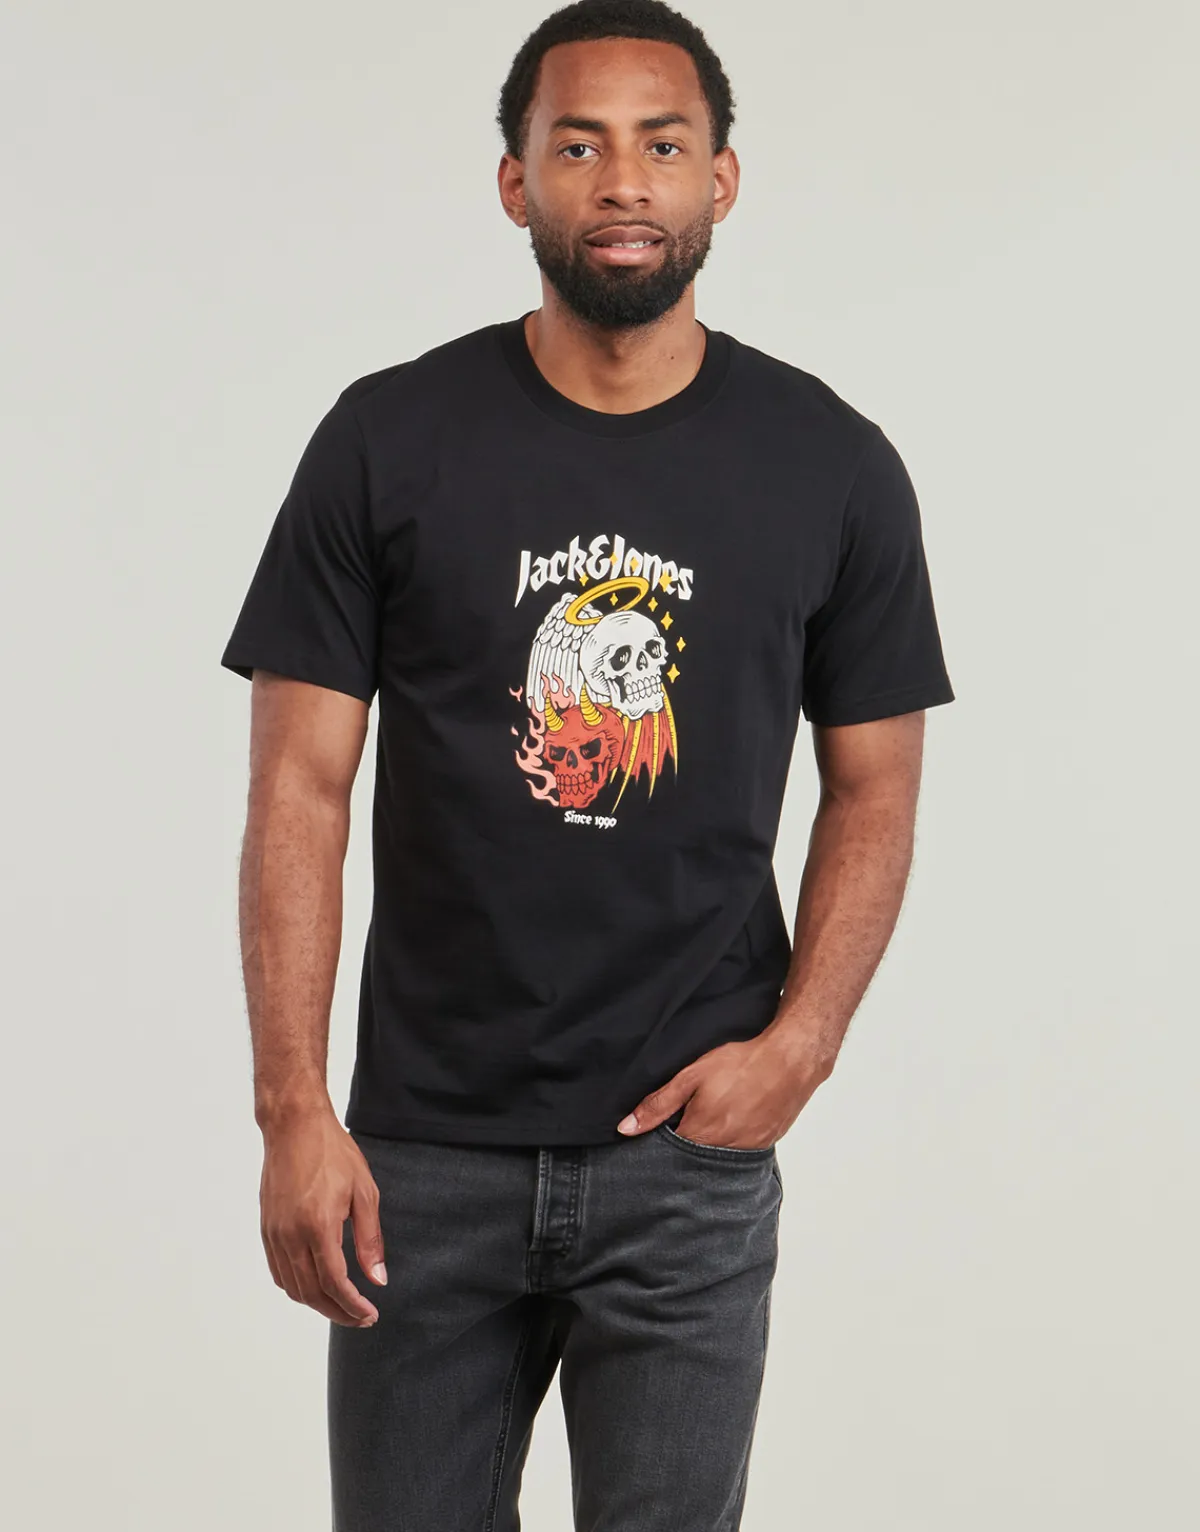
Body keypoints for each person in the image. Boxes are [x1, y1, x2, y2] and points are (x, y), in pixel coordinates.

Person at [219, 1, 954, 1527]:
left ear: (721, 179)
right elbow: (299, 787)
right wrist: (294, 1109)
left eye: (662, 146)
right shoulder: (387, 440)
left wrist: (803, 1044)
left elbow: (876, 783)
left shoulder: (830, 464)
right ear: (516, 183)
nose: (624, 181)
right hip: (420, 1158)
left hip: (685, 1155)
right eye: (579, 146)